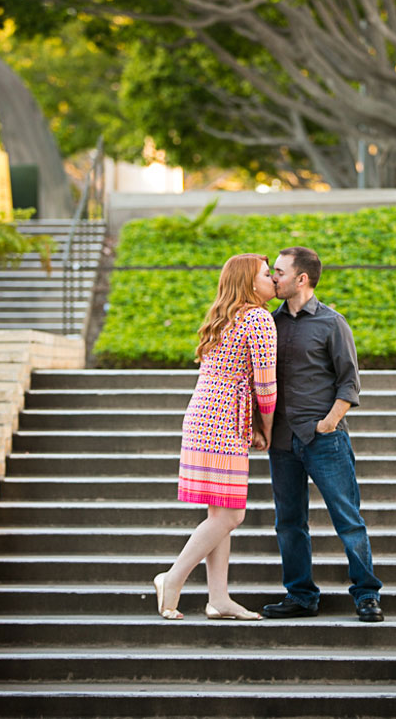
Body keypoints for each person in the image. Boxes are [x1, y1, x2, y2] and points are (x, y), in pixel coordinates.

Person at [263, 246, 383, 623]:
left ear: (302, 278)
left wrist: (328, 423)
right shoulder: (268, 323)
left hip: (324, 438)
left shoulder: (333, 323)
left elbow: (350, 383)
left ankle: (366, 595)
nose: (273, 278)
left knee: (347, 517)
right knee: (288, 522)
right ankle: (300, 595)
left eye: (279, 272)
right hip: (281, 441)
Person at [154, 253, 277, 621]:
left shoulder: (227, 316)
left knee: (219, 510)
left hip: (203, 414)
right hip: (224, 419)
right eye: (266, 274)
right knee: (232, 514)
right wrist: (265, 430)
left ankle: (219, 598)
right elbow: (267, 387)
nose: (273, 279)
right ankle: (172, 577)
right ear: (249, 283)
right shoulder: (257, 317)